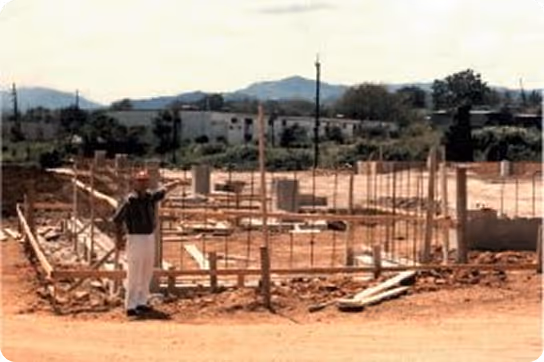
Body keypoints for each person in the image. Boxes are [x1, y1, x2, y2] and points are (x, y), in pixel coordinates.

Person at [111, 169, 166, 317]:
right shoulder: (130, 201)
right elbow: (117, 220)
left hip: (148, 237)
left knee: (146, 270)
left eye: (145, 181)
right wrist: (119, 239)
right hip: (135, 238)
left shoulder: (149, 197)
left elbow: (162, 192)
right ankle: (130, 305)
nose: (143, 184)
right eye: (140, 181)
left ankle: (141, 302)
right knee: (134, 272)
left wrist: (172, 184)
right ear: (135, 183)